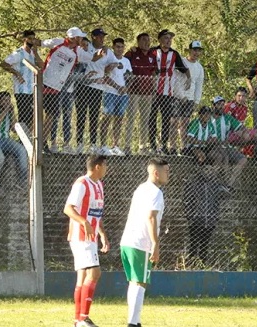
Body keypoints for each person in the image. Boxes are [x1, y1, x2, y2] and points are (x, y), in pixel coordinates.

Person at [36, 27, 106, 153]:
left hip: (58, 88)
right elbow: (39, 43)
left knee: (52, 116)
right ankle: (35, 139)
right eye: (80, 37)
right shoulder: (58, 42)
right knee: (37, 113)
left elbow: (93, 58)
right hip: (44, 82)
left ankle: (42, 141)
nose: (82, 39)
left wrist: (100, 54)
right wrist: (26, 41)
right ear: (74, 37)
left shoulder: (78, 51)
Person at [120, 157, 170, 327]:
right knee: (140, 282)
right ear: (156, 173)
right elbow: (151, 217)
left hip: (127, 241)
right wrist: (155, 243)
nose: (168, 174)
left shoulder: (141, 188)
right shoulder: (156, 192)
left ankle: (135, 321)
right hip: (141, 242)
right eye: (166, 171)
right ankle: (132, 323)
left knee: (134, 282)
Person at [63, 155, 110, 327]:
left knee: (82, 277)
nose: (107, 168)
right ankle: (83, 318)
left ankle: (78, 321)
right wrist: (84, 222)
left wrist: (102, 233)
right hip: (81, 236)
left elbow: (96, 213)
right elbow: (68, 208)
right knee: (95, 273)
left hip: (91, 237)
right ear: (97, 166)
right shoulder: (81, 183)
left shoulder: (99, 184)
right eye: (105, 165)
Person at [149, 29, 190, 155]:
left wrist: (189, 78)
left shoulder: (174, 54)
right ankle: (151, 144)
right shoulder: (153, 52)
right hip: (153, 91)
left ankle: (163, 145)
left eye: (170, 39)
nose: (169, 41)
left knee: (166, 119)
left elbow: (184, 68)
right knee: (152, 118)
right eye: (166, 38)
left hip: (168, 92)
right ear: (160, 39)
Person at [0, 91, 28, 195]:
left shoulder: (9, 112)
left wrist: (12, 113)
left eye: (8, 100)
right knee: (0, 157)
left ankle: (22, 181)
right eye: (4, 100)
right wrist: (4, 112)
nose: (7, 103)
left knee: (21, 150)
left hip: (5, 139)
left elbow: (14, 129)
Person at [0, 30, 43, 135]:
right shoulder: (18, 53)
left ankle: (28, 138)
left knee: (32, 116)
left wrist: (36, 52)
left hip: (32, 90)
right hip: (21, 90)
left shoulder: (33, 53)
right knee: (23, 116)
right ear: (25, 39)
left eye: (34, 38)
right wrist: (16, 73)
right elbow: (3, 64)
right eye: (30, 38)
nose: (33, 41)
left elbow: (41, 66)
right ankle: (22, 139)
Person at [123, 33, 156, 155]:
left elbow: (153, 73)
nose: (146, 42)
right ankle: (127, 146)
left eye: (148, 40)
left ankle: (143, 147)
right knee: (131, 118)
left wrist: (154, 88)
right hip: (133, 92)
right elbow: (124, 67)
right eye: (143, 40)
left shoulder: (152, 56)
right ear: (138, 41)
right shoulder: (132, 53)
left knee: (145, 120)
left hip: (147, 93)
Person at [99, 37, 132, 156]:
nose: (120, 49)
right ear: (113, 47)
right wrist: (117, 87)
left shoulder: (126, 61)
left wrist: (126, 87)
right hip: (110, 92)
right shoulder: (108, 59)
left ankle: (115, 145)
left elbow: (130, 76)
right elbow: (104, 75)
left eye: (122, 47)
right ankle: (103, 145)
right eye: (117, 46)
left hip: (123, 94)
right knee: (107, 117)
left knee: (119, 119)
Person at [170, 40, 204, 155]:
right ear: (189, 50)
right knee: (174, 122)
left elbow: (199, 84)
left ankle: (184, 147)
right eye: (194, 50)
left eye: (199, 51)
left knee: (185, 122)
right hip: (178, 97)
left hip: (190, 99)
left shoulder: (200, 67)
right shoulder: (182, 62)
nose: (196, 53)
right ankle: (173, 147)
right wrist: (181, 95)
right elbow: (175, 80)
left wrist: (196, 100)